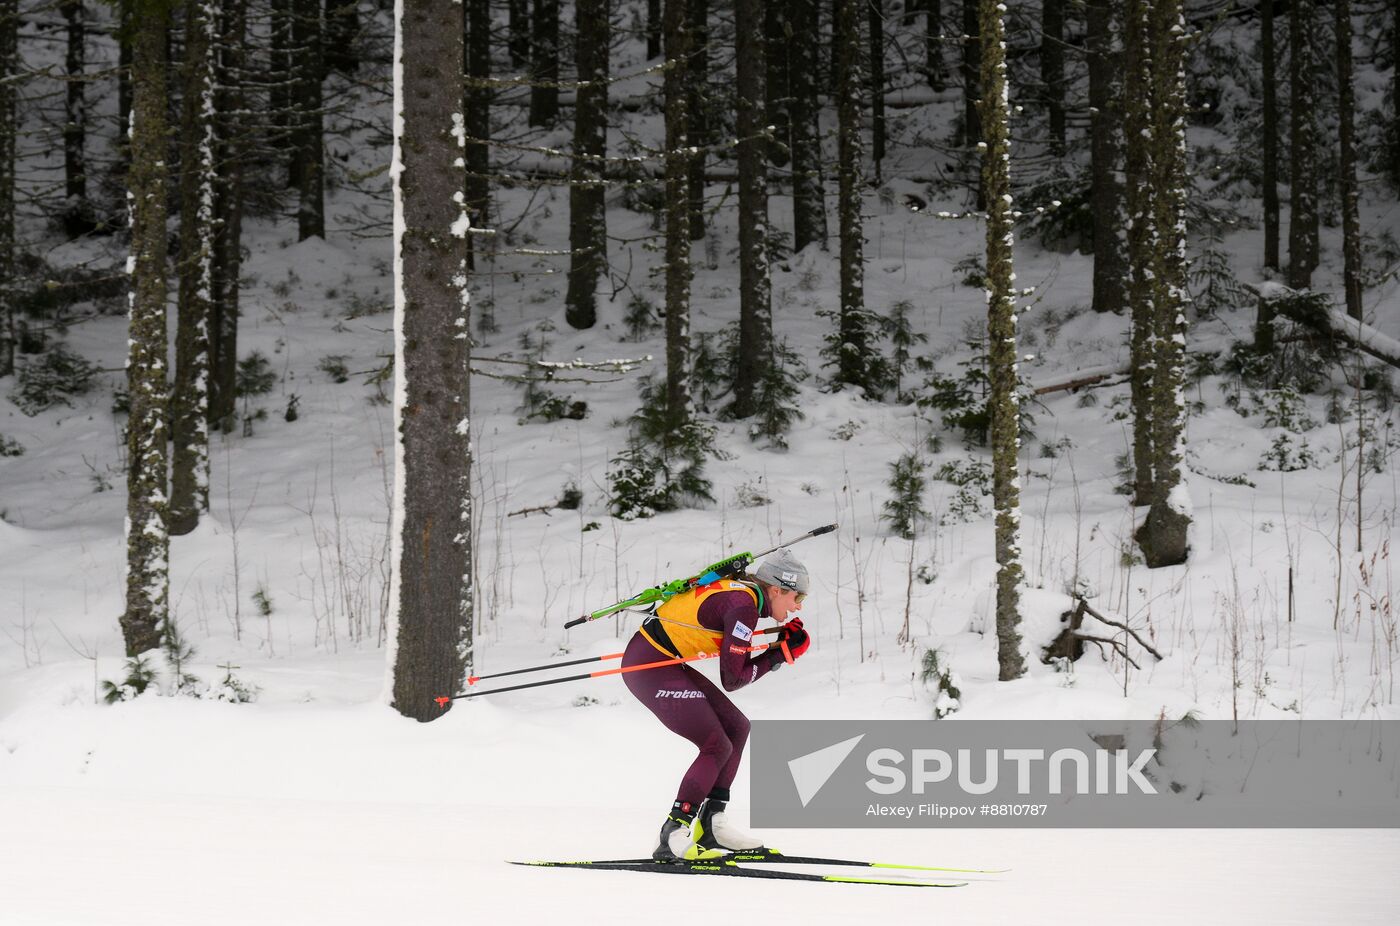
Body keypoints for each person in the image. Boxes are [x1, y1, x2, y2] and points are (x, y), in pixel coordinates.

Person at [620, 547, 812, 860]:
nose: (797, 607)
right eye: (797, 598)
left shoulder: (745, 599)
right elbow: (733, 679)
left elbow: (736, 659)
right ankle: (674, 831)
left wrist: (776, 649)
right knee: (716, 745)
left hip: (663, 661)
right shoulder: (743, 607)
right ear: (777, 590)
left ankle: (712, 824)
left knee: (737, 727)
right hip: (648, 668)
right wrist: (778, 655)